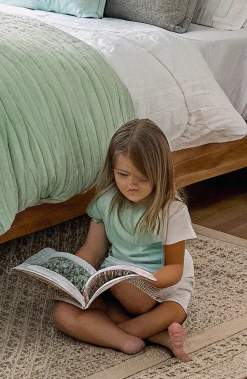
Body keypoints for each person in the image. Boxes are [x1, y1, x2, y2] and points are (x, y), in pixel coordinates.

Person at [53, 118, 195, 360]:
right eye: (123, 174)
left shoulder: (171, 210)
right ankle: (137, 339)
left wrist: (144, 279)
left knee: (163, 310)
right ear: (113, 170)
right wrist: (70, 275)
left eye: (142, 178)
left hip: (159, 289)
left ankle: (125, 330)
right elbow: (92, 250)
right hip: (118, 286)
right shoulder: (106, 201)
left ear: (159, 174)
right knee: (62, 314)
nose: (131, 184)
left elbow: (174, 268)